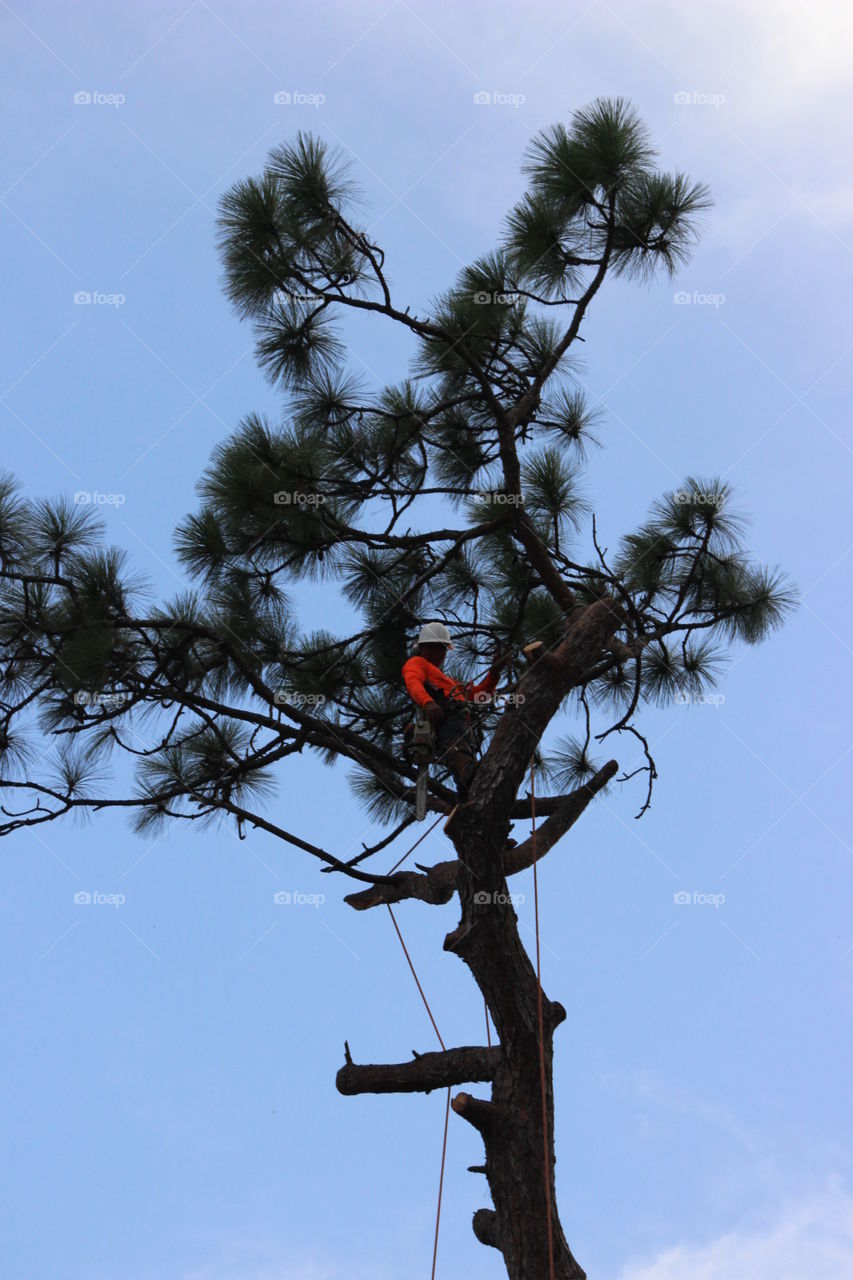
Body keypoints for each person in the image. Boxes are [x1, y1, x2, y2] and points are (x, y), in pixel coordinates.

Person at [402, 623, 511, 799]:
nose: (438, 653)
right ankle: (469, 778)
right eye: (433, 648)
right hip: (446, 716)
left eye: (441, 649)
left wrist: (494, 673)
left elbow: (478, 696)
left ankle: (466, 799)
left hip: (462, 722)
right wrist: (428, 703)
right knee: (456, 749)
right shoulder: (417, 663)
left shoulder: (449, 682)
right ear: (421, 648)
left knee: (461, 758)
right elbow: (413, 682)